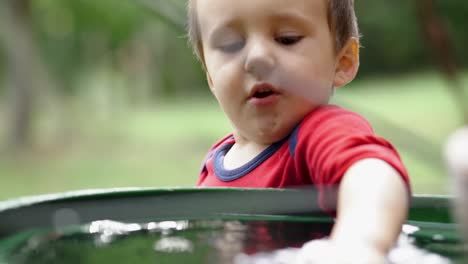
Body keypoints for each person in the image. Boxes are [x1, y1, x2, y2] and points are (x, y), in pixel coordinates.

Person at [187, 0, 411, 262]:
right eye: (231, 45)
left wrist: (361, 245)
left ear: (343, 61)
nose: (257, 58)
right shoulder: (214, 161)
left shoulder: (320, 133)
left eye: (287, 39)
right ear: (210, 76)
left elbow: (373, 177)